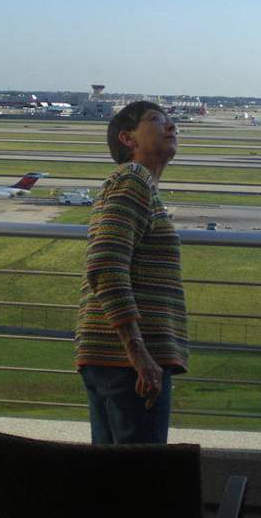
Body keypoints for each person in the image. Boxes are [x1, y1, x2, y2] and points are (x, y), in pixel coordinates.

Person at [74, 100, 188, 444]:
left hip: (114, 358)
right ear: (128, 139)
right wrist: (137, 351)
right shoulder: (133, 179)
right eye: (157, 120)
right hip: (128, 363)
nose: (171, 127)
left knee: (114, 485)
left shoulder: (137, 185)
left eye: (171, 121)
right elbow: (106, 263)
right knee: (138, 485)